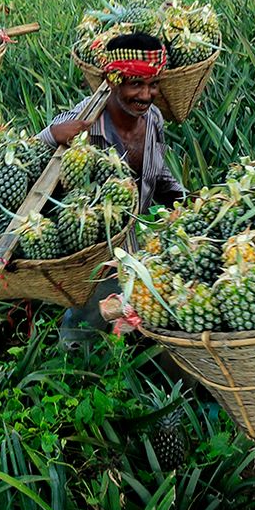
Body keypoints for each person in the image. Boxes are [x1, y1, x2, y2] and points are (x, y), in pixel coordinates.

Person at [43, 32, 186, 345]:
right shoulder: (81, 122)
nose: (146, 95)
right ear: (112, 80)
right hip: (92, 243)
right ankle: (71, 363)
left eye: (153, 84)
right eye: (136, 83)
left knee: (142, 312)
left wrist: (182, 199)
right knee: (87, 320)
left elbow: (156, 172)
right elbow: (29, 159)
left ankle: (130, 360)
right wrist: (53, 134)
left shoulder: (155, 119)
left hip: (134, 236)